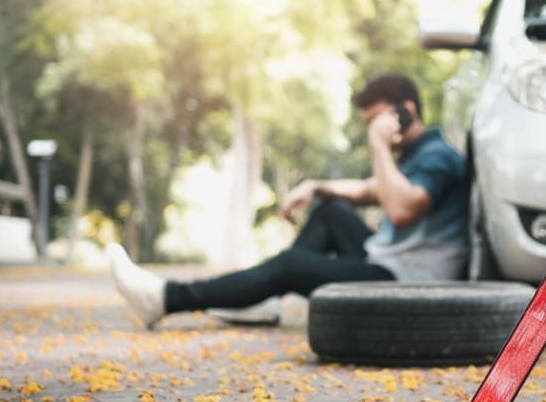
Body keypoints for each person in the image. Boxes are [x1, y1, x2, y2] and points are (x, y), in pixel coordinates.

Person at [107, 72, 468, 329]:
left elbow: (402, 209)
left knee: (290, 265)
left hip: (409, 284)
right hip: (390, 265)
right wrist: (316, 185)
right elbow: (371, 190)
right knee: (330, 211)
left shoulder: (438, 157)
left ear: (406, 110)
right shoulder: (419, 155)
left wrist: (378, 145)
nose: (371, 128)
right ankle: (262, 299)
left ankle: (166, 298)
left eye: (376, 120)